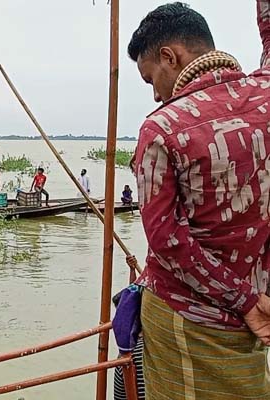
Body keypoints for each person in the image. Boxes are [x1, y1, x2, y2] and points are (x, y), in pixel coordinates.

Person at [129, 3, 270, 399]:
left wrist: (244, 302)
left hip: (186, 316)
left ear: (170, 57)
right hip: (257, 303)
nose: (156, 93)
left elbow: (167, 241)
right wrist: (250, 300)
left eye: (150, 79)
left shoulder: (162, 128)